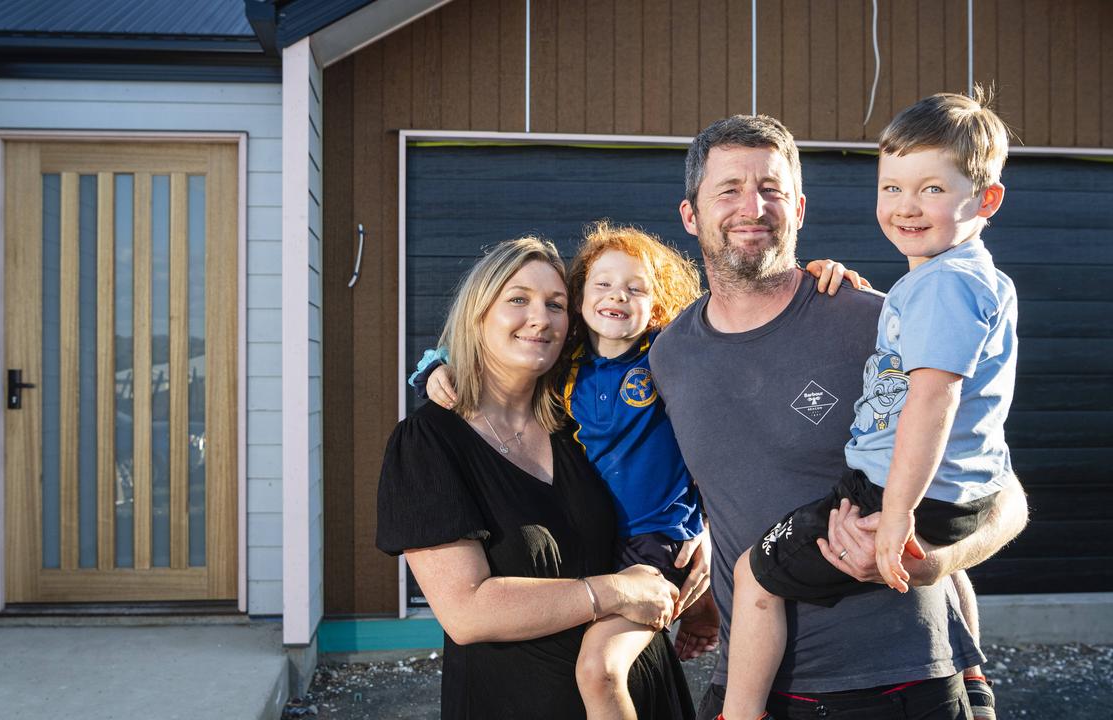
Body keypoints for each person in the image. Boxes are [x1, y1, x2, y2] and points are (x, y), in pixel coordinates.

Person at [650, 113, 1028, 720]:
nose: (753, 206)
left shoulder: (871, 319)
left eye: (771, 189)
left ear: (799, 208)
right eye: (729, 190)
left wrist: (932, 559)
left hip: (900, 683)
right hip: (750, 681)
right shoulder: (669, 356)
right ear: (691, 215)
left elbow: (998, 490)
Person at [411, 224, 862, 720]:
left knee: (600, 669)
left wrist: (814, 282)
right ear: (582, 300)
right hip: (603, 547)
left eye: (635, 288)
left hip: (655, 540)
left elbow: (745, 325)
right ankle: (702, 616)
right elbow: (489, 345)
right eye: (601, 285)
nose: (616, 297)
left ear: (659, 303)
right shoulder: (565, 368)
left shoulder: (668, 353)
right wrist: (435, 367)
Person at [376, 236, 695, 719]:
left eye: (556, 304)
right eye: (518, 299)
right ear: (479, 312)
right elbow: (466, 612)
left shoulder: (578, 423)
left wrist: (702, 532)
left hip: (645, 693)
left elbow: (671, 465)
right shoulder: (429, 443)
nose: (540, 318)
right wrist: (613, 591)